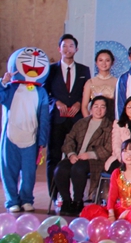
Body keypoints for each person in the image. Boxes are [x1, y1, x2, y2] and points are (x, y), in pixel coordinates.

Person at [45, 34, 91, 197]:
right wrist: (56, 102)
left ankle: (75, 195)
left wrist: (79, 103)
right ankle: (54, 195)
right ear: (59, 48)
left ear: (76, 49)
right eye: (64, 46)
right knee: (54, 157)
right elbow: (45, 93)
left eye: (71, 46)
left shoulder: (84, 70)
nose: (67, 49)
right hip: (57, 119)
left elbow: (87, 93)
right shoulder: (51, 70)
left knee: (77, 157)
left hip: (77, 120)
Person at [54, 95, 113, 216]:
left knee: (78, 168)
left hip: (96, 160)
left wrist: (90, 154)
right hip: (76, 157)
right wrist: (71, 154)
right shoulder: (81, 123)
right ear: (91, 108)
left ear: (106, 109)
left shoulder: (109, 126)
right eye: (96, 106)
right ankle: (66, 201)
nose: (99, 110)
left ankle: (78, 201)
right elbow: (69, 139)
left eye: (102, 107)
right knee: (60, 169)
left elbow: (109, 148)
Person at [80, 139, 131, 225]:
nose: (128, 155)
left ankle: (121, 224)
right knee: (90, 210)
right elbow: (112, 197)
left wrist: (127, 212)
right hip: (120, 210)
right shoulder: (117, 172)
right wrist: (111, 214)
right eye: (125, 151)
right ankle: (112, 225)